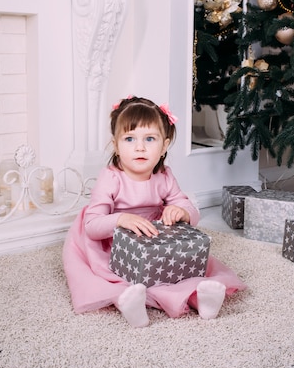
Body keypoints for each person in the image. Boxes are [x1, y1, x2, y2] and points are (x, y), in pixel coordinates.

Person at [62, 96, 246, 327]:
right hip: (112, 240)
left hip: (152, 237)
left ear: (164, 146)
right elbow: (92, 226)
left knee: (185, 268)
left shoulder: (164, 176)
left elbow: (188, 207)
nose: (140, 147)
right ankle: (127, 302)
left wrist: (181, 211)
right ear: (116, 146)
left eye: (150, 138)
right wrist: (121, 219)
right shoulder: (111, 177)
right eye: (129, 138)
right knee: (112, 278)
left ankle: (201, 298)